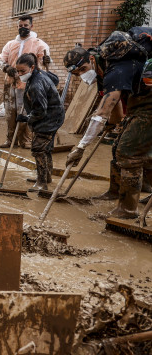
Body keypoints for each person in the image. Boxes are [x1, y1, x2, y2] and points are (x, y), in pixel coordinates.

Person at [64, 34, 152, 219]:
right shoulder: (103, 70)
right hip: (139, 100)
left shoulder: (115, 69)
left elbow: (103, 112)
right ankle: (120, 190)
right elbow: (116, 111)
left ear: (90, 59)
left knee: (128, 151)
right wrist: (113, 126)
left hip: (149, 102)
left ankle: (127, 210)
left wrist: (80, 147)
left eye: (83, 69)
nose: (82, 74)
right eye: (76, 73)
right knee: (118, 146)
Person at [0, 15, 51, 149]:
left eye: (25, 26)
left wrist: (46, 61)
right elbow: (1, 60)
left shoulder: (39, 43)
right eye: (20, 26)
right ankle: (11, 140)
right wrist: (6, 67)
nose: (23, 28)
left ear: (31, 26)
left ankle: (25, 140)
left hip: (28, 84)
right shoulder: (10, 44)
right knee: (10, 112)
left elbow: (43, 61)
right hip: (11, 82)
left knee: (26, 112)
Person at [14, 53, 64, 192]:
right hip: (55, 116)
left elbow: (40, 110)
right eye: (18, 71)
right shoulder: (39, 74)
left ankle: (42, 183)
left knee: (38, 148)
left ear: (32, 67)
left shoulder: (36, 84)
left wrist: (26, 118)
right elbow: (55, 79)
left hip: (48, 119)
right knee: (46, 148)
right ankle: (46, 176)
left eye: (22, 71)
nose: (19, 74)